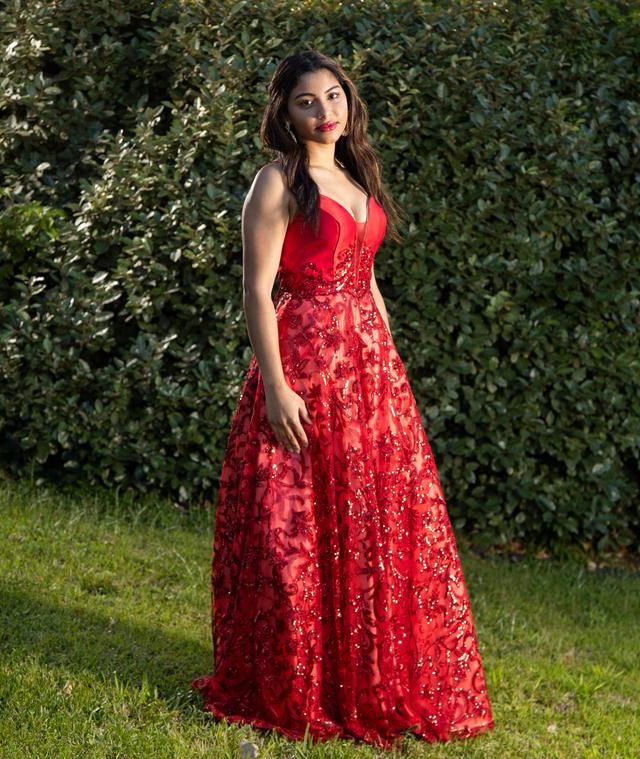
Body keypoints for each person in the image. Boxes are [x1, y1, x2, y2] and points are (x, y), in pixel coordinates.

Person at [190, 50, 495, 750]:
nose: (325, 111)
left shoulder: (358, 177)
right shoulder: (275, 182)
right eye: (308, 100)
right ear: (285, 112)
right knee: (295, 523)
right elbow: (256, 292)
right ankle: (299, 677)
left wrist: (391, 364)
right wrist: (274, 384)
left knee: (369, 519)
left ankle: (360, 674)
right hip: (303, 363)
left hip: (368, 374)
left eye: (334, 96)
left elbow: (369, 282)